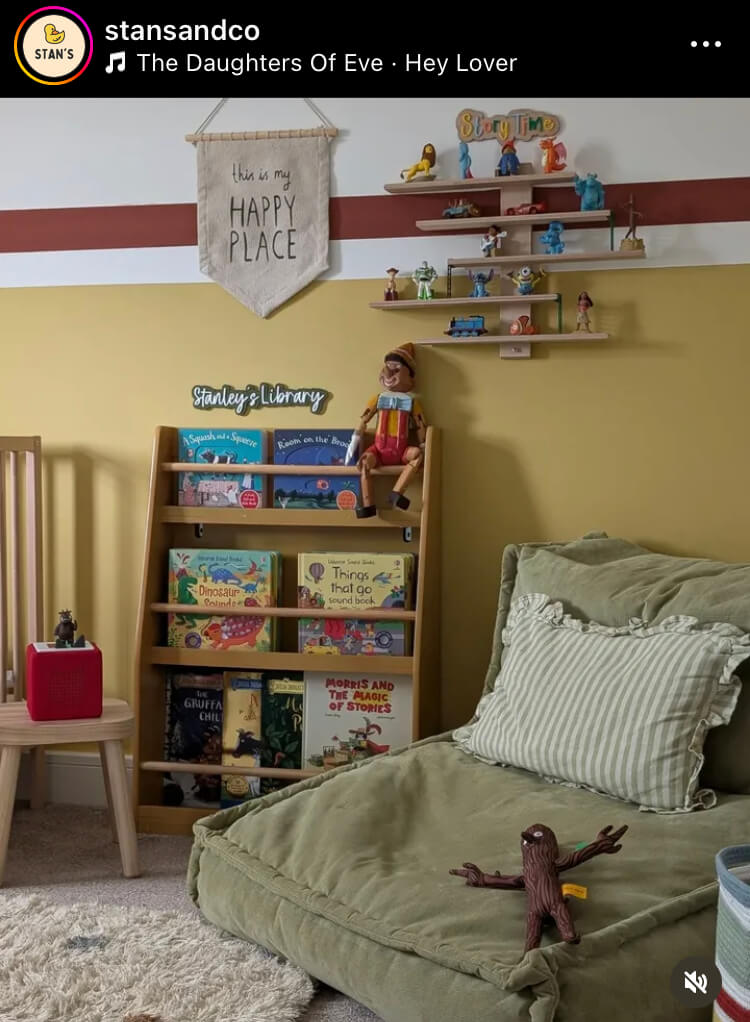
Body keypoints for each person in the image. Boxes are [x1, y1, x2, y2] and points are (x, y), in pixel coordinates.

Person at [347, 344, 427, 519]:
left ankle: (397, 493)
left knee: (417, 456)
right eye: (388, 368)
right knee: (364, 463)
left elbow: (421, 425)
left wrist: (423, 444)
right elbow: (364, 420)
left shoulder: (412, 403)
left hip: (401, 451)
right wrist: (354, 440)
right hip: (378, 449)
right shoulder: (378, 399)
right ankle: (368, 505)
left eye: (397, 369)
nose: (390, 374)